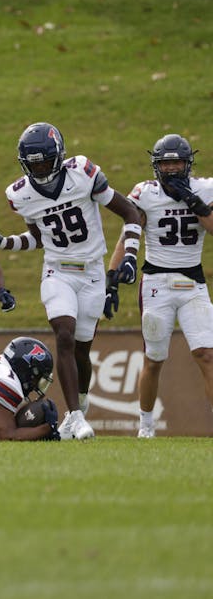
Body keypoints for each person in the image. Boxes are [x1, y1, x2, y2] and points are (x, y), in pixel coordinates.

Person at [0, 122, 142, 441]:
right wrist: (4, 242)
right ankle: (76, 417)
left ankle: (79, 405)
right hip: (58, 271)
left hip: (92, 272)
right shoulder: (21, 194)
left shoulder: (83, 173)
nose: (40, 169)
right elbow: (40, 238)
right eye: (34, 164)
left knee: (82, 350)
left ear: (58, 157)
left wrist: (130, 256)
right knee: (64, 335)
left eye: (45, 162)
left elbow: (130, 213)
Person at [108, 134, 213, 438]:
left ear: (188, 164)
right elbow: (128, 234)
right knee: (153, 360)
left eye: (176, 163)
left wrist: (192, 201)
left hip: (193, 284)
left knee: (207, 355)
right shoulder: (145, 193)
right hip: (156, 285)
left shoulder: (204, 189)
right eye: (165, 164)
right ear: (156, 166)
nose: (171, 169)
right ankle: (146, 426)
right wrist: (111, 279)